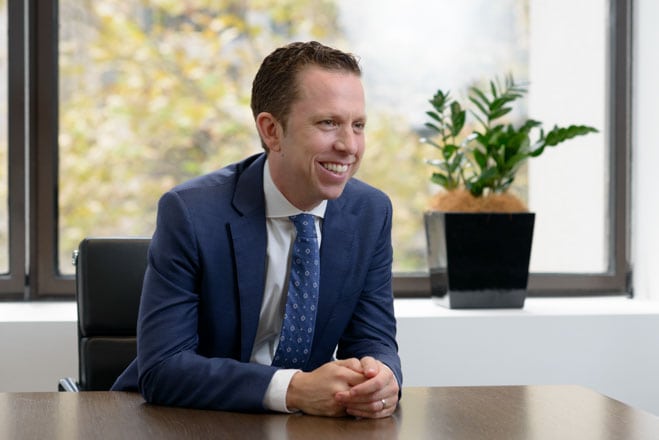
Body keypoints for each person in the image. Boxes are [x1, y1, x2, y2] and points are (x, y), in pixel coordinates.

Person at [112, 41, 402, 419]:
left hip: (307, 426)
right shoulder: (192, 213)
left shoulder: (369, 212)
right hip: (186, 420)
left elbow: (373, 339)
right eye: (328, 123)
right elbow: (164, 368)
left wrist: (381, 376)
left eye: (358, 125)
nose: (349, 146)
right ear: (271, 130)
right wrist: (293, 388)